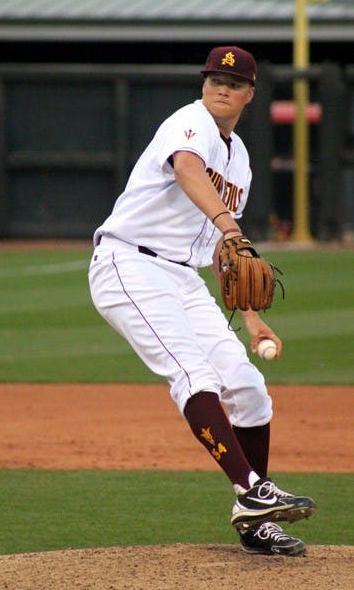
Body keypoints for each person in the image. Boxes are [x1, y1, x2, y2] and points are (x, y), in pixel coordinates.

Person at [88, 46, 316, 556]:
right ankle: (253, 491)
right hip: (131, 264)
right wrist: (230, 225)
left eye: (233, 84)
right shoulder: (188, 122)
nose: (221, 87)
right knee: (195, 375)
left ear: (249, 94)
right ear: (204, 83)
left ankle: (255, 522)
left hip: (182, 279)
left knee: (249, 388)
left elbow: (224, 252)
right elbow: (189, 171)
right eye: (214, 78)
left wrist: (252, 318)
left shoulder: (241, 161)